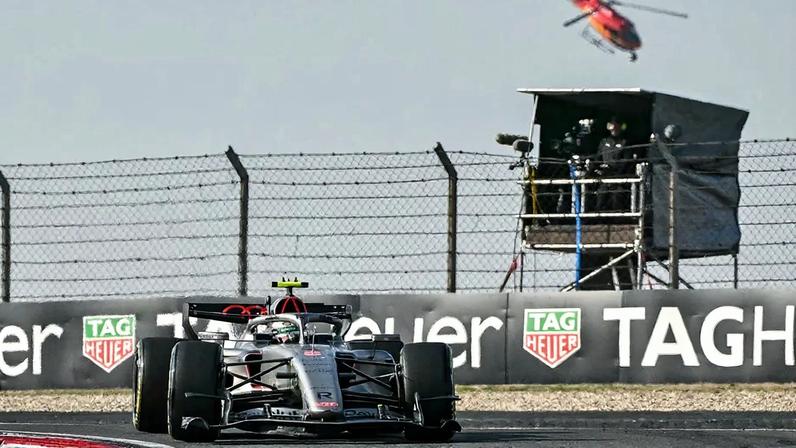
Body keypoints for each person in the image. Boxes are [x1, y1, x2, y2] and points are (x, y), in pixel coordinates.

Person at [593, 118, 628, 212]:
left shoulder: (624, 142)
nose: (614, 129)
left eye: (616, 126)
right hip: (604, 175)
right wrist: (598, 168)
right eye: (612, 126)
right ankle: (598, 217)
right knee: (601, 194)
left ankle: (618, 219)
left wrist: (617, 171)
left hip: (617, 176)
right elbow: (598, 157)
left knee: (617, 195)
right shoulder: (604, 141)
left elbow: (626, 161)